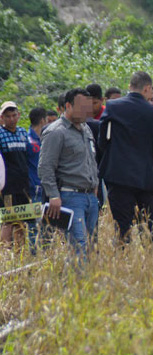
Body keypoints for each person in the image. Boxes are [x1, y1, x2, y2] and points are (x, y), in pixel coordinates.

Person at [98, 71, 153, 243]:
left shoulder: (112, 106)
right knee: (151, 228)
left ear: (130, 87)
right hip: (146, 177)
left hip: (118, 175)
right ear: (147, 89)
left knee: (122, 228)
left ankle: (123, 262)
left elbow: (102, 140)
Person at [38, 88, 99, 257]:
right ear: (68, 106)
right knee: (78, 244)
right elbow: (45, 166)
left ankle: (89, 281)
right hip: (70, 196)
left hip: (90, 197)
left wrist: (95, 185)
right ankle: (78, 282)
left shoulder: (86, 129)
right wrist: (53, 195)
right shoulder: (56, 131)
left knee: (92, 245)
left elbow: (91, 159)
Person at [0, 101, 30, 248]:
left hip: (23, 185)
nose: (11, 119)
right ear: (2, 118)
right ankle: (5, 252)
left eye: (14, 115)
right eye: (8, 116)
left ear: (18, 115)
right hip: (7, 186)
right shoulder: (0, 134)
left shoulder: (23, 133)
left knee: (22, 220)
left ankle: (20, 252)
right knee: (8, 220)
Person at [26, 107, 46, 251]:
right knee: (33, 226)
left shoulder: (44, 138)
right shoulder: (28, 140)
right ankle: (34, 256)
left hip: (46, 190)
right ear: (43, 120)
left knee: (47, 226)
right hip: (34, 190)